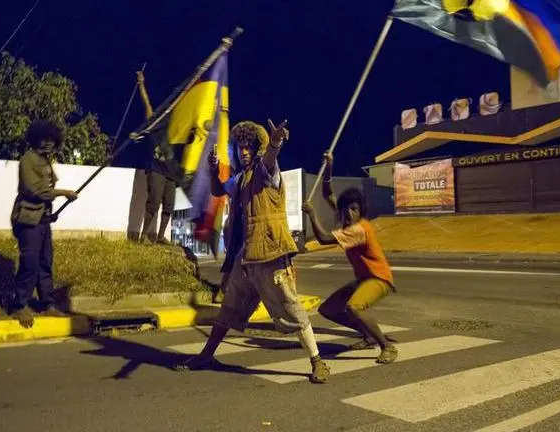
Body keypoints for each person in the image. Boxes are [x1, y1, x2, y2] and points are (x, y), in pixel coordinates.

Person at [175, 119, 331, 384]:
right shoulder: (240, 179)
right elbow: (218, 190)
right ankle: (207, 355)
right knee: (229, 308)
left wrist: (275, 143)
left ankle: (317, 361)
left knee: (291, 308)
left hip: (270, 255)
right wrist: (214, 171)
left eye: (249, 147)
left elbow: (270, 159)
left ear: (258, 148)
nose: (244, 151)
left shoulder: (265, 171)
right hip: (245, 259)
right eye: (240, 147)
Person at [301, 152, 398, 364]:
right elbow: (328, 193)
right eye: (345, 209)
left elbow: (325, 238)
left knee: (355, 307)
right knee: (327, 310)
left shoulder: (359, 229)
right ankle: (368, 334)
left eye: (354, 209)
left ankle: (386, 346)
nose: (348, 213)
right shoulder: (348, 220)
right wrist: (329, 167)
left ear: (360, 210)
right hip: (363, 279)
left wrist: (312, 214)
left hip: (379, 279)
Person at [9, 120, 78, 327]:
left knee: (45, 263)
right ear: (36, 138)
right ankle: (19, 305)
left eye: (51, 140)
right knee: (29, 264)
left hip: (41, 220)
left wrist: (49, 214)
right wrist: (64, 193)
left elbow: (45, 193)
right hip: (27, 220)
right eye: (44, 139)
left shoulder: (46, 161)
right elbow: (35, 190)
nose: (48, 144)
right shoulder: (28, 160)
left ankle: (46, 304)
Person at [136, 70, 178, 244]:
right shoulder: (154, 123)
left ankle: (160, 236)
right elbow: (146, 103)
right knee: (153, 203)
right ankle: (143, 235)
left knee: (169, 206)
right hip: (156, 169)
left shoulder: (176, 128)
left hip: (171, 172)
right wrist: (141, 84)